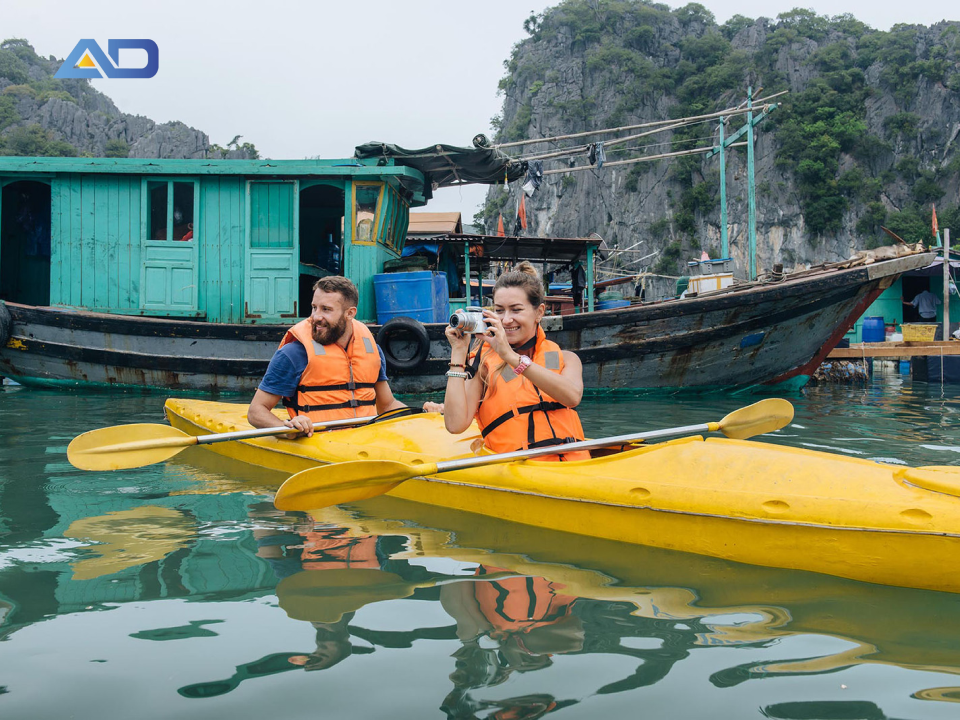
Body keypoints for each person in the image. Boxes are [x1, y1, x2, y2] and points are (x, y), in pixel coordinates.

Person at [248, 275, 440, 437]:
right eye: (314, 307)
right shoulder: (294, 353)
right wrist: (286, 428)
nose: (316, 316)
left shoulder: (371, 349)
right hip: (316, 441)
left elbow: (387, 404)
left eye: (326, 309)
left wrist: (423, 416)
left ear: (350, 313)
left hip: (366, 438)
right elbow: (256, 412)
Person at [441, 261, 589, 461]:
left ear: (539, 312)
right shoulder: (483, 365)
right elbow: (455, 425)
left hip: (576, 468)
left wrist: (510, 357)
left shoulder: (567, 359)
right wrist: (459, 351)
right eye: (499, 310)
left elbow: (571, 397)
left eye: (516, 310)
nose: (506, 320)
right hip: (519, 471)